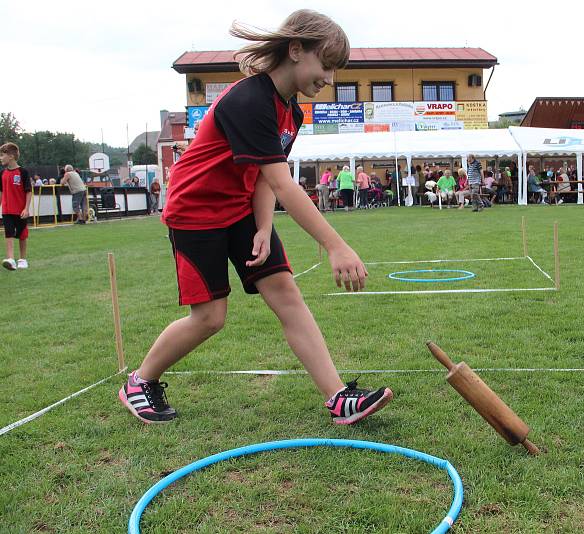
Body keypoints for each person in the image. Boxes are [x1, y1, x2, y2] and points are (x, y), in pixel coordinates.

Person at [118, 9, 392, 426]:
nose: (330, 79)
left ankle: (338, 398)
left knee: (286, 293)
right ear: (296, 50)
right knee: (210, 318)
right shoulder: (248, 100)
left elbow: (266, 178)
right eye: (326, 65)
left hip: (241, 210)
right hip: (196, 213)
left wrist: (263, 227)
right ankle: (140, 381)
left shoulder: (291, 112)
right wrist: (336, 245)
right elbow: (286, 186)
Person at [0, 143, 31, 271]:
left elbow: (28, 191)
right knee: (8, 233)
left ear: (11, 156)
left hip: (20, 210)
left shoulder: (23, 172)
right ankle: (11, 259)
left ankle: (22, 259)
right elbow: (1, 192)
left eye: (2, 155)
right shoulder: (2, 173)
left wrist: (26, 208)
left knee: (22, 234)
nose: (0, 158)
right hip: (7, 210)